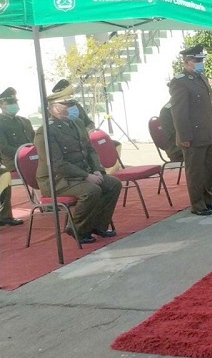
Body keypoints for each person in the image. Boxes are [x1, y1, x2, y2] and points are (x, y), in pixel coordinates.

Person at [34, 94, 121, 243]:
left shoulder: (77, 123)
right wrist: (86, 176)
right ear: (54, 109)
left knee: (113, 184)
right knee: (91, 190)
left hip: (81, 175)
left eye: (72, 104)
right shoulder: (46, 132)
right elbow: (57, 164)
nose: (73, 108)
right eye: (67, 105)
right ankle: (76, 228)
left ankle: (97, 225)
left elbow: (90, 150)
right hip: (57, 180)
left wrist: (96, 170)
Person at [169, 44, 212, 216]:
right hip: (192, 135)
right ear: (187, 61)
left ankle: (208, 200)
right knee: (195, 172)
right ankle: (197, 204)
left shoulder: (200, 77)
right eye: (197, 60)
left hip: (206, 132)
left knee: (207, 169)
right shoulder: (179, 81)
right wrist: (185, 136)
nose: (200, 63)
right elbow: (179, 112)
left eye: (201, 60)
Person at [0, 87, 34, 226]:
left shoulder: (24, 121)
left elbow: (34, 141)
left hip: (31, 159)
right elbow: (4, 148)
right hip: (12, 162)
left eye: (15, 102)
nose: (14, 105)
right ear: (1, 105)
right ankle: (5, 216)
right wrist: (24, 155)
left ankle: (52, 200)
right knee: (4, 175)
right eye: (10, 103)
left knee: (50, 165)